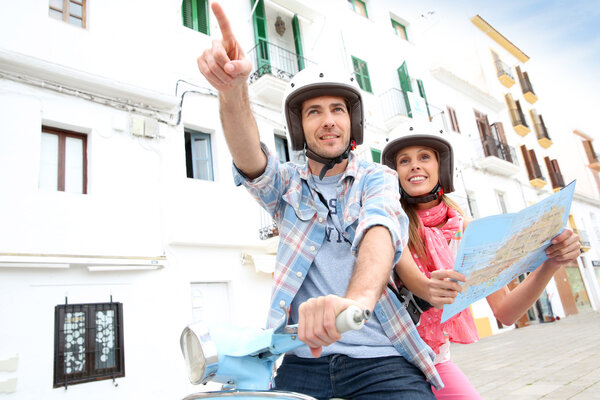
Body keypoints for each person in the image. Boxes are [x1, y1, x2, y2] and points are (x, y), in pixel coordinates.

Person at [196, 3, 450, 399]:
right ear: (300, 127)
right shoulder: (288, 185)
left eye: (337, 109)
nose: (328, 119)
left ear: (353, 122)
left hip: (382, 358)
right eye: (314, 111)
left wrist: (354, 304)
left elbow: (380, 230)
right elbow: (251, 161)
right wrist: (233, 92)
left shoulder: (376, 177)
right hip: (302, 360)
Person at [381, 129, 582, 399]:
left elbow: (506, 312)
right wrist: (429, 289)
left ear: (442, 169)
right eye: (404, 160)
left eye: (424, 157)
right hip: (385, 357)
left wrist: (551, 263)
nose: (414, 164)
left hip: (435, 359)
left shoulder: (468, 231)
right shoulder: (388, 221)